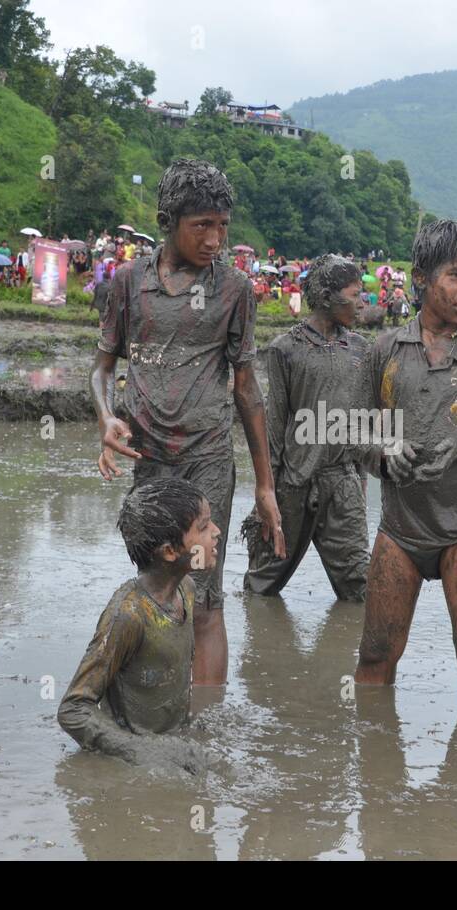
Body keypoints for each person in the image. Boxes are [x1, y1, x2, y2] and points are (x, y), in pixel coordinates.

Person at [92, 159, 285, 686]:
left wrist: (265, 487)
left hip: (207, 458)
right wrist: (108, 418)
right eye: (201, 225)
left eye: (223, 225)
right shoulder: (128, 284)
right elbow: (103, 368)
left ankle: (205, 721)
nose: (215, 239)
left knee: (204, 594)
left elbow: (247, 388)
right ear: (167, 220)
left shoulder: (236, 291)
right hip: (149, 460)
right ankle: (153, 702)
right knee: (156, 585)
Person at [351, 219, 457, 701]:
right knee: (375, 653)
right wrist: (383, 453)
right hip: (400, 529)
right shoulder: (385, 352)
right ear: (422, 276)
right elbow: (353, 429)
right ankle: (376, 765)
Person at [57, 478, 219, 762]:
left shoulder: (187, 590)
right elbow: (73, 710)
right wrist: (141, 751)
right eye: (204, 527)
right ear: (170, 551)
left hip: (173, 741)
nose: (216, 532)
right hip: (133, 755)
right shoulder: (129, 615)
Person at [242, 254, 370, 601]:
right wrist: (266, 492)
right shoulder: (285, 350)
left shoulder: (361, 349)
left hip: (342, 483)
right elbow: (276, 423)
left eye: (363, 294)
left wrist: (361, 481)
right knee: (263, 582)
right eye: (355, 294)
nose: (363, 301)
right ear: (327, 297)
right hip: (293, 485)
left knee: (360, 586)